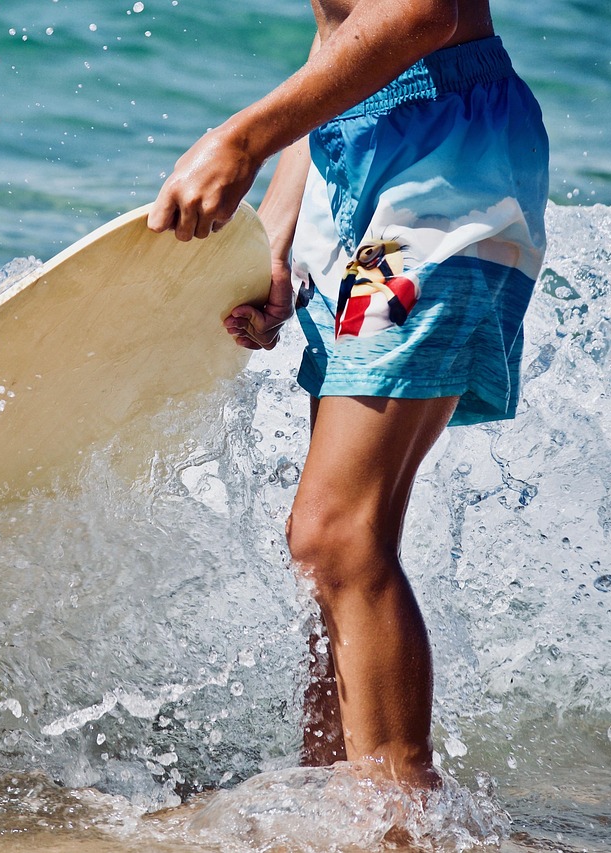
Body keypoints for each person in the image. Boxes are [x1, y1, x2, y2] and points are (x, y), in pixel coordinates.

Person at [148, 0, 549, 790]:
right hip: (363, 161)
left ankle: (400, 819)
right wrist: (278, 229)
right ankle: (333, 794)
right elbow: (339, 37)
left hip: (444, 172)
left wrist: (243, 137)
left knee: (333, 532)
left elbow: (422, 12)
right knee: (338, 543)